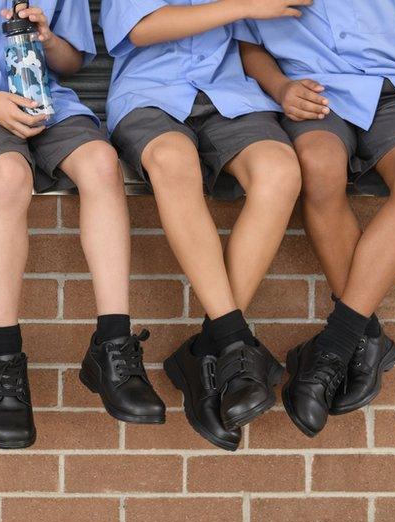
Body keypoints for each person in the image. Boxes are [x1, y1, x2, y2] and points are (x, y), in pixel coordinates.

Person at [0, 0, 166, 451]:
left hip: (46, 102)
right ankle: (4, 356)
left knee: (102, 162)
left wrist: (48, 37)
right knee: (9, 175)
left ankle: (113, 344)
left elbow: (72, 60)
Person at [101, 0, 305, 450]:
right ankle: (233, 342)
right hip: (150, 95)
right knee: (173, 161)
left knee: (280, 171)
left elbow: (257, 37)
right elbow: (143, 28)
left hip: (230, 93)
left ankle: (209, 352)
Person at [238, 0, 395, 437]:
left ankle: (336, 346)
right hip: (312, 92)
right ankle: (362, 336)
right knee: (319, 168)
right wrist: (281, 88)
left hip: (390, 88)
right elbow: (244, 41)